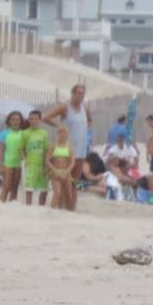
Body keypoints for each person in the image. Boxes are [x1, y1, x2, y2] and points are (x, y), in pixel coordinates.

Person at [43, 83, 91, 211]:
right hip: (65, 149)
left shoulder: (85, 108)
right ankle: (59, 207)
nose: (81, 96)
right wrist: (58, 126)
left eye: (83, 93)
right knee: (63, 179)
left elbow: (90, 121)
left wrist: (87, 135)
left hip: (80, 149)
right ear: (73, 94)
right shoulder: (65, 107)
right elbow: (45, 117)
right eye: (78, 93)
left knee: (75, 181)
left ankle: (70, 209)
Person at [21, 110, 50, 206]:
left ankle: (41, 208)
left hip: (41, 166)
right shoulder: (25, 133)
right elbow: (21, 149)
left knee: (44, 189)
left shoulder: (44, 133)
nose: (33, 121)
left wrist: (46, 164)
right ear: (29, 120)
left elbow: (46, 150)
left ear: (40, 120)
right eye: (31, 119)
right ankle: (28, 208)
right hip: (30, 165)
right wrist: (24, 159)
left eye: (36, 119)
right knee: (29, 189)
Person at [0, 110, 25, 203]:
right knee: (6, 187)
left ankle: (12, 207)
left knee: (15, 188)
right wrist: (0, 164)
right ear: (9, 121)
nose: (15, 122)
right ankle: (0, 204)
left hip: (19, 164)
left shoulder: (23, 133)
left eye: (17, 119)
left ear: (20, 121)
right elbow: (0, 150)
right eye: (13, 120)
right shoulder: (4, 133)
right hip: (8, 163)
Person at [46, 125, 74, 210]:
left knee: (68, 195)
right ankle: (52, 210)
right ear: (57, 134)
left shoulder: (69, 147)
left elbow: (72, 161)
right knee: (57, 193)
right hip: (55, 172)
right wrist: (54, 170)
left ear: (67, 134)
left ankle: (66, 211)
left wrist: (67, 171)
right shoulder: (53, 146)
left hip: (66, 172)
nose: (62, 134)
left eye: (64, 132)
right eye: (60, 132)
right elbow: (47, 160)